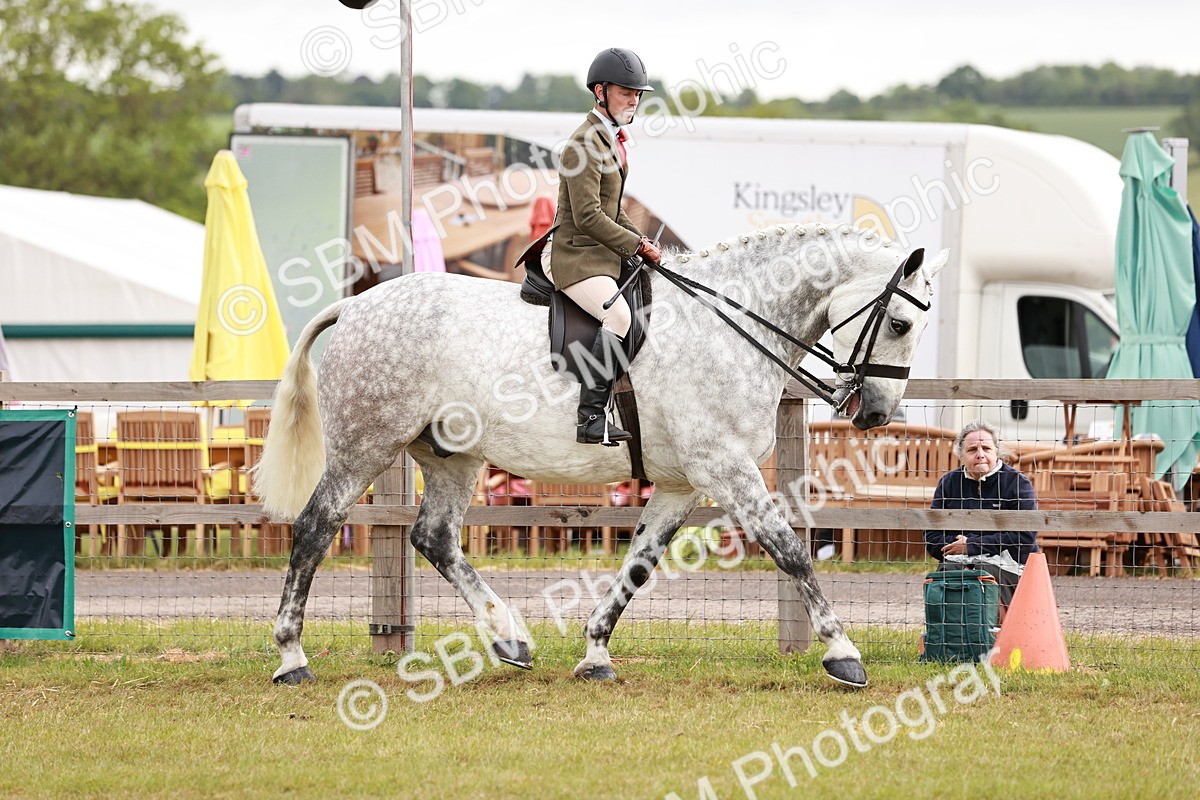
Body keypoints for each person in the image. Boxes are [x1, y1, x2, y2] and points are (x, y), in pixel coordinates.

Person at [530, 47, 662, 446]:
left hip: (597, 251)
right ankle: (590, 418)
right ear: (600, 91)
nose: (634, 101)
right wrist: (633, 246)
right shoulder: (583, 145)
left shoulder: (611, 140)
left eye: (638, 94)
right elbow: (587, 216)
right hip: (572, 253)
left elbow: (612, 208)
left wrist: (640, 242)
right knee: (618, 317)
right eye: (626, 93)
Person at [925, 419, 1039, 616]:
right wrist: (958, 547)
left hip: (1010, 566)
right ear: (961, 455)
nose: (980, 455)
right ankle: (948, 638)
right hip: (958, 561)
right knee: (950, 570)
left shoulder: (1017, 482)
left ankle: (993, 637)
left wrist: (972, 545)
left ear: (996, 451)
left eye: (986, 448)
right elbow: (931, 538)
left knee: (983, 572)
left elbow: (1026, 536)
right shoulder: (949, 483)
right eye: (972, 450)